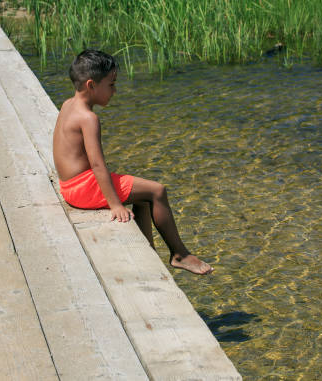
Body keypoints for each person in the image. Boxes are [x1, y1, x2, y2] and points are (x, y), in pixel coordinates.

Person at [53, 49, 213, 275]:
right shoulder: (89, 119)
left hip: (70, 186)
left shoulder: (69, 104)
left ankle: (148, 251)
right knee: (157, 191)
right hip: (83, 188)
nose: (115, 90)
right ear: (91, 85)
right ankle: (180, 255)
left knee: (144, 195)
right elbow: (98, 165)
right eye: (111, 84)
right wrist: (115, 204)